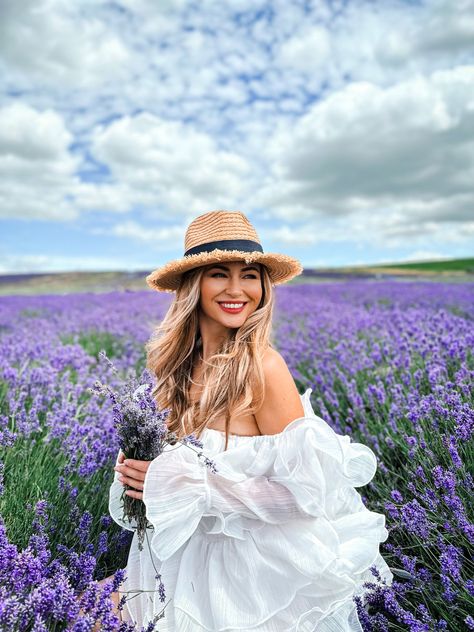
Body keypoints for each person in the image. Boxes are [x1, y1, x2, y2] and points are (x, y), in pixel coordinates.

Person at [107, 210, 393, 631]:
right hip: (178, 563)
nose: (238, 290)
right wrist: (139, 475)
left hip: (249, 579)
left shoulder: (262, 367)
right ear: (193, 285)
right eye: (220, 274)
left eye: (251, 275)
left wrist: (198, 489)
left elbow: (306, 496)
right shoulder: (174, 370)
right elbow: (165, 482)